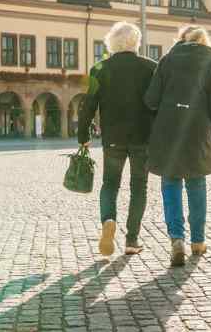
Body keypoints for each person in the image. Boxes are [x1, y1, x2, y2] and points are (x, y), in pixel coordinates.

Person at [145, 25, 211, 267]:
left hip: (168, 128)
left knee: (170, 182)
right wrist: (208, 122)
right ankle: (198, 241)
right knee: (196, 183)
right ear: (204, 40)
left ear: (180, 40)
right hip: (197, 128)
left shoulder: (167, 59)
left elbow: (151, 98)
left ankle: (176, 239)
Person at [77, 22, 157, 257]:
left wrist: (83, 135)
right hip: (143, 137)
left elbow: (88, 104)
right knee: (138, 187)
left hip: (112, 137)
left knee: (110, 184)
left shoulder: (99, 69)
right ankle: (132, 240)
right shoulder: (151, 67)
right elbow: (156, 104)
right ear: (136, 42)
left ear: (111, 42)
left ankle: (108, 221)